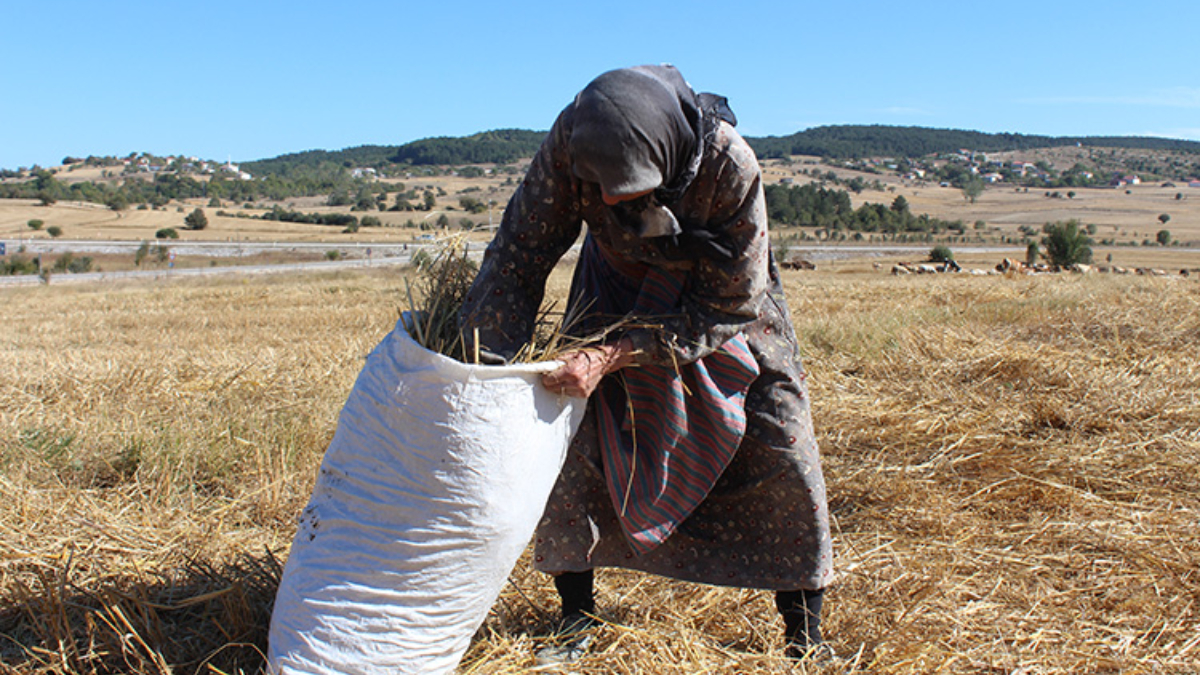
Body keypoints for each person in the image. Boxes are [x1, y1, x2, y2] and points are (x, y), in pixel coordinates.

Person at [459, 64, 833, 662]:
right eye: (599, 187)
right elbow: (519, 254)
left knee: (779, 440)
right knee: (573, 446)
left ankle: (805, 639)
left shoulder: (728, 166)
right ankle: (575, 619)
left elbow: (731, 301)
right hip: (611, 290)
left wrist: (615, 355)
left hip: (718, 302)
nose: (608, 200)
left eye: (627, 189)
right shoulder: (570, 145)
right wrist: (481, 364)